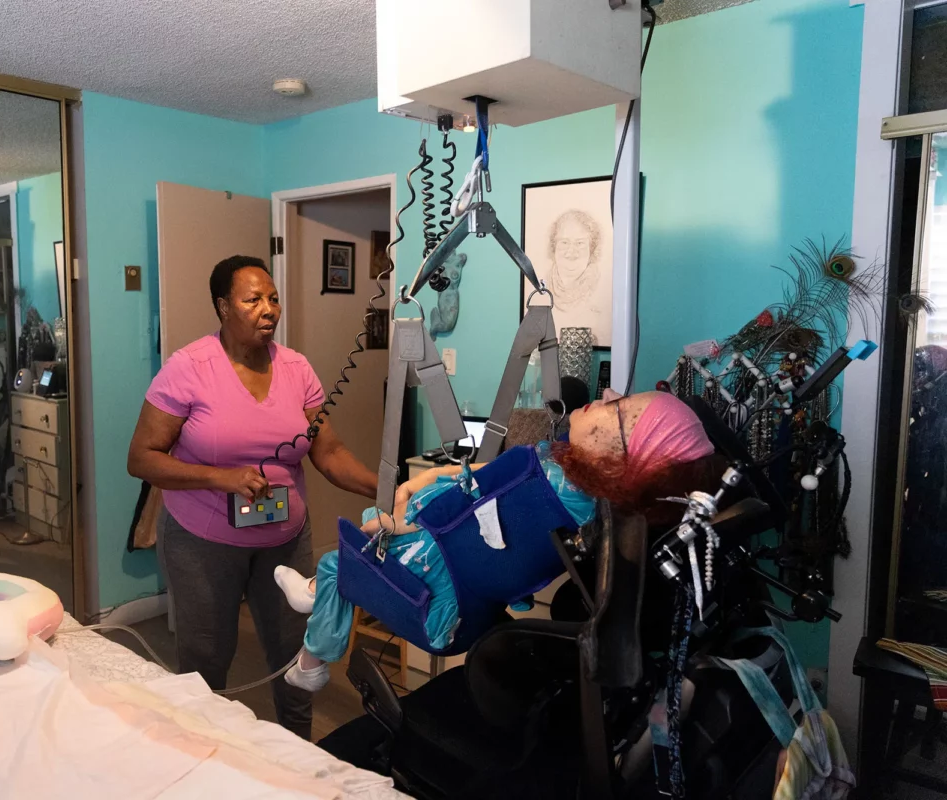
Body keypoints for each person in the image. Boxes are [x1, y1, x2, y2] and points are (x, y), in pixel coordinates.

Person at [274, 390, 720, 691]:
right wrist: (430, 479)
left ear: (621, 456)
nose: (605, 394)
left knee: (341, 565)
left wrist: (403, 517)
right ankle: (312, 602)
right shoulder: (578, 500)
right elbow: (479, 491)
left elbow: (459, 521)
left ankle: (312, 659)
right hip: (466, 607)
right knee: (361, 546)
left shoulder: (543, 484)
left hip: (438, 607)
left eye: (618, 405)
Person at [126, 255, 378, 740]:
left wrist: (386, 488)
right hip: (202, 543)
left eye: (274, 299)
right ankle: (206, 751)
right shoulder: (189, 368)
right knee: (205, 660)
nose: (269, 309)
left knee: (297, 655)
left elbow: (329, 453)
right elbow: (142, 458)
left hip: (285, 539)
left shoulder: (296, 369)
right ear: (224, 307)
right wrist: (220, 478)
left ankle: (300, 751)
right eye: (253, 299)